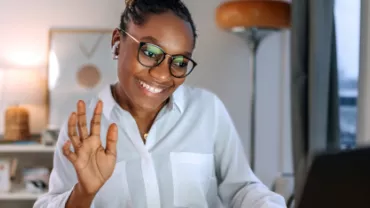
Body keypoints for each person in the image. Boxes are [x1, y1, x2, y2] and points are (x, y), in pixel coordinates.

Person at [34, 0, 286, 207]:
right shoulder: (82, 127)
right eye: (150, 53)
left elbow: (242, 188)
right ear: (117, 43)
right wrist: (83, 194)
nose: (163, 75)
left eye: (179, 63)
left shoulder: (208, 110)